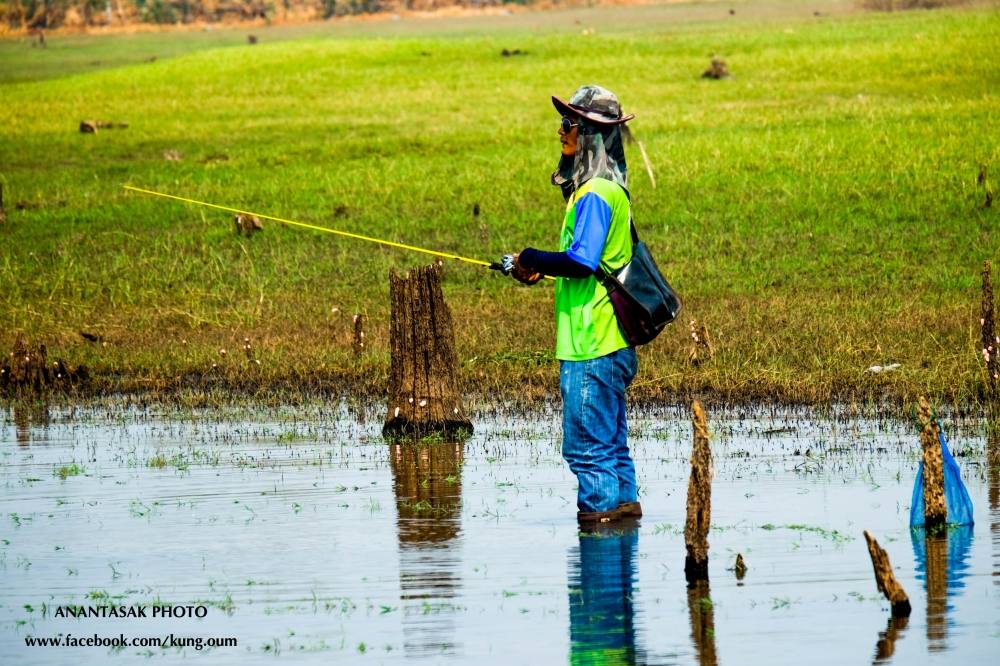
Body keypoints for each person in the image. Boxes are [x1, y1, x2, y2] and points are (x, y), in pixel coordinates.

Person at [502, 85, 640, 525]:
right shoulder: (606, 189)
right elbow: (591, 261)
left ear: (592, 135)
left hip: (591, 345)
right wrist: (543, 269)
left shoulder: (597, 192)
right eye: (563, 122)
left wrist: (531, 257)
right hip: (610, 342)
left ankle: (600, 543)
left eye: (570, 124)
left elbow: (582, 262)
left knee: (586, 449)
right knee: (611, 446)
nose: (562, 131)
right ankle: (619, 533)